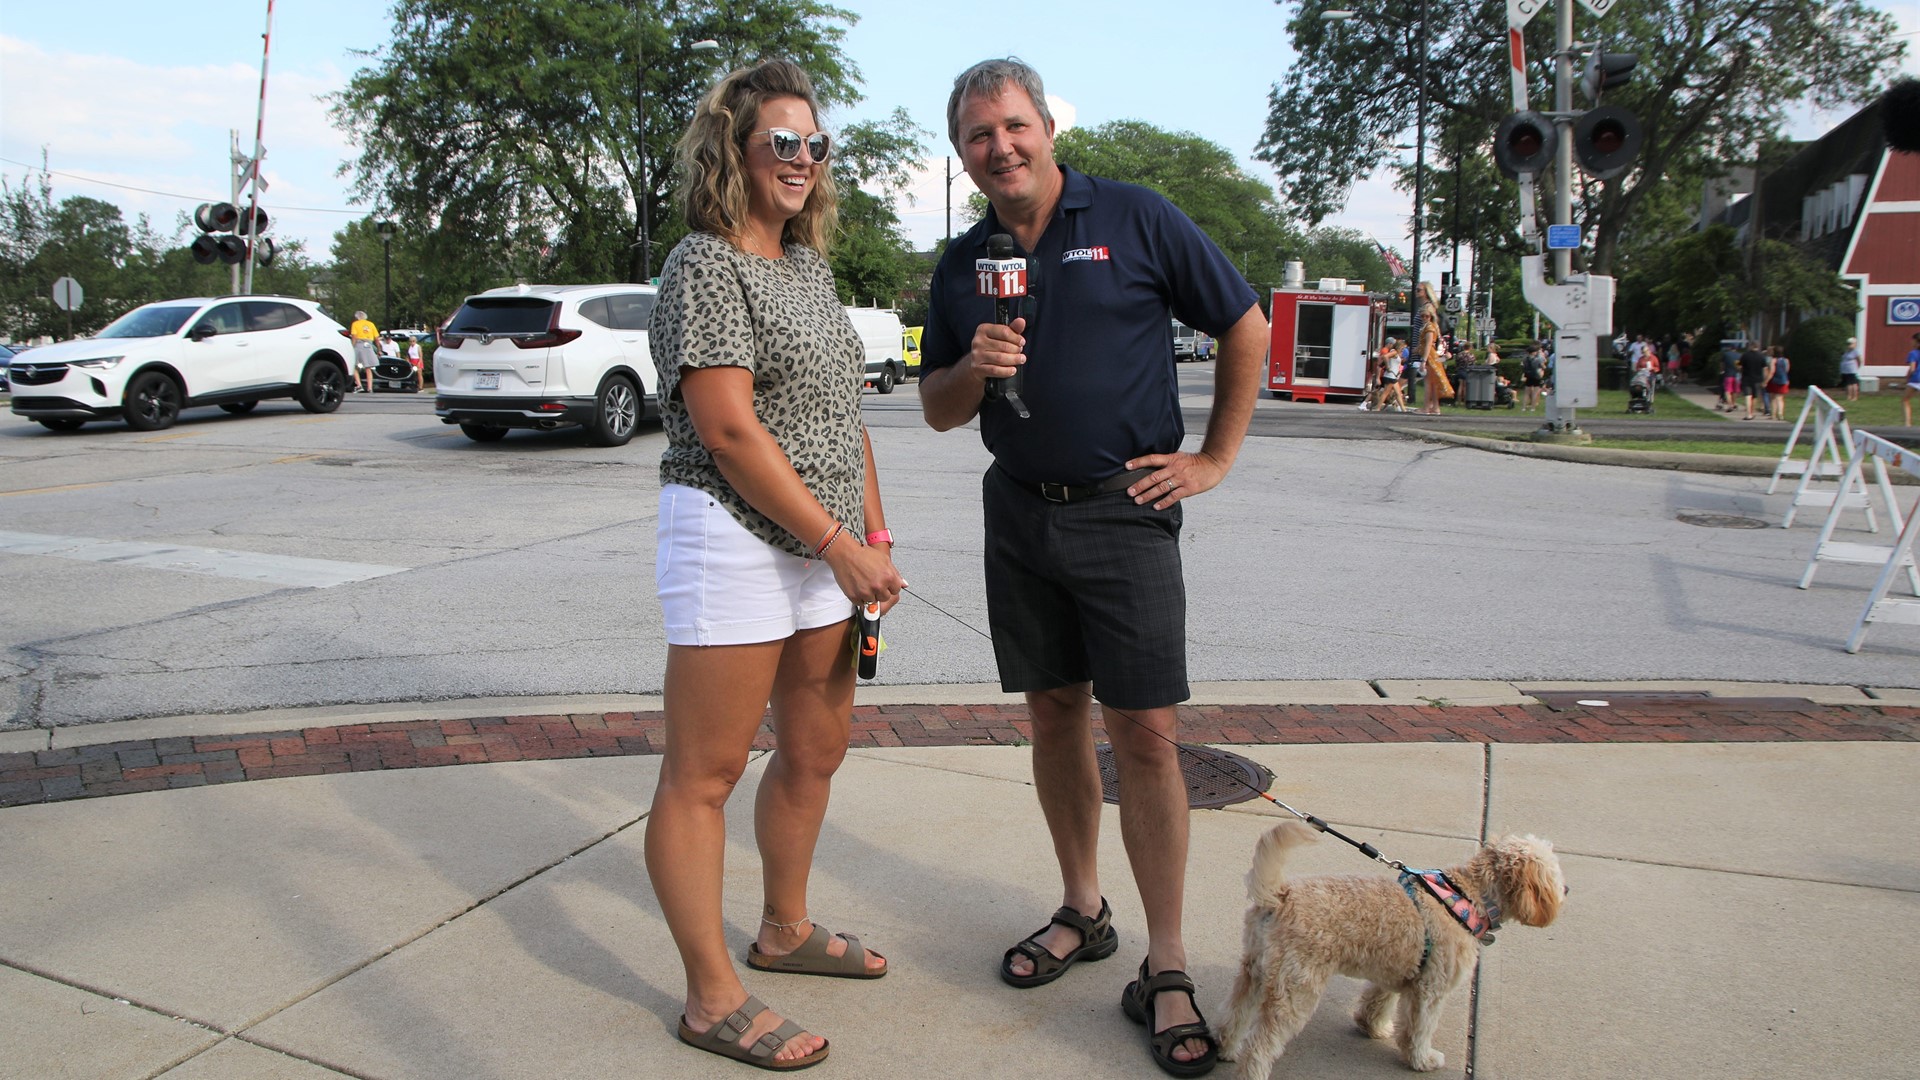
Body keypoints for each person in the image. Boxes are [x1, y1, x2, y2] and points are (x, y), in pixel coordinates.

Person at [918, 57, 1267, 1077]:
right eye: (980, 136)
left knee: (1147, 741)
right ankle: (1083, 906)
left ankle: (1165, 965)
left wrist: (1213, 459)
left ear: (1047, 130)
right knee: (1053, 716)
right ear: (963, 151)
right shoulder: (962, 263)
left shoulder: (1135, 217)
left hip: (1125, 511)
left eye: (1014, 126)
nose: (1001, 148)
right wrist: (970, 370)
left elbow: (1244, 323)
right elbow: (940, 409)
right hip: (1018, 513)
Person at [643, 58, 905, 1073]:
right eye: (779, 144)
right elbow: (728, 430)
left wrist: (872, 539)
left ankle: (784, 931)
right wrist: (837, 543)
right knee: (702, 775)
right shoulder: (703, 265)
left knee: (815, 748)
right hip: (733, 534)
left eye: (814, 145)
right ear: (733, 154)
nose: (802, 161)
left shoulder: (808, 267)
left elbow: (844, 419)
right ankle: (712, 997)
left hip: (828, 553)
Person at [1739, 341, 1771, 420]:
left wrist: (1741, 372)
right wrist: (1765, 381)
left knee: (1747, 396)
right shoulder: (1761, 356)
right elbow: (1765, 369)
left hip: (1746, 378)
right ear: (1758, 347)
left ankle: (1748, 414)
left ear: (1750, 346)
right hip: (1757, 379)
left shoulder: (1745, 355)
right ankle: (1752, 412)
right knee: (1755, 396)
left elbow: (1739, 367)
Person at [348, 311, 378, 393]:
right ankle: (370, 387)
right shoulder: (371, 324)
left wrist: (352, 347)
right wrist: (379, 349)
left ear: (357, 317)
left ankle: (359, 385)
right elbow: (376, 337)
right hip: (368, 344)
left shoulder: (355, 324)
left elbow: (354, 336)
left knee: (353, 365)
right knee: (368, 367)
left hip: (359, 344)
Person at [1766, 345, 1791, 421]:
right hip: (1784, 380)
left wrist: (1766, 381)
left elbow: (1772, 371)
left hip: (1775, 381)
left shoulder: (1774, 360)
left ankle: (1773, 414)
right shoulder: (1786, 360)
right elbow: (1787, 370)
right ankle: (1780, 414)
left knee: (1773, 398)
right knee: (1780, 398)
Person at [1521, 342, 1546, 411]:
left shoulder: (1525, 359)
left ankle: (1523, 407)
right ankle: (1533, 407)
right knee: (1535, 392)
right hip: (1536, 375)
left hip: (1528, 375)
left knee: (1526, 392)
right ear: (1533, 352)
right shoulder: (1537, 359)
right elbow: (1543, 366)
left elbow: (1523, 366)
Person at [1718, 341, 1742, 411]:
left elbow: (1722, 364)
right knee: (1735, 391)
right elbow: (1739, 367)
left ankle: (1730, 405)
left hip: (1728, 374)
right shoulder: (1739, 355)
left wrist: (1722, 370)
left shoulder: (1726, 354)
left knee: (1727, 391)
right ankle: (1734, 404)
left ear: (1730, 347)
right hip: (1737, 375)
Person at [1837, 337, 1861, 402]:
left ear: (1854, 344)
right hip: (1845, 369)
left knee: (1853, 383)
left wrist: (1858, 367)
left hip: (1851, 369)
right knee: (1848, 383)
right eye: (1848, 343)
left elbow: (1859, 360)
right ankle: (1849, 396)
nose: (1849, 345)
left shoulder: (1856, 351)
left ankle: (1854, 397)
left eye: (1850, 343)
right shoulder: (1846, 351)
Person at [1905, 332, 1920, 426]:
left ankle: (1907, 423)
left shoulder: (1913, 353)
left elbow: (1912, 368)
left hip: (1916, 379)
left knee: (1905, 400)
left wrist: (1907, 376)